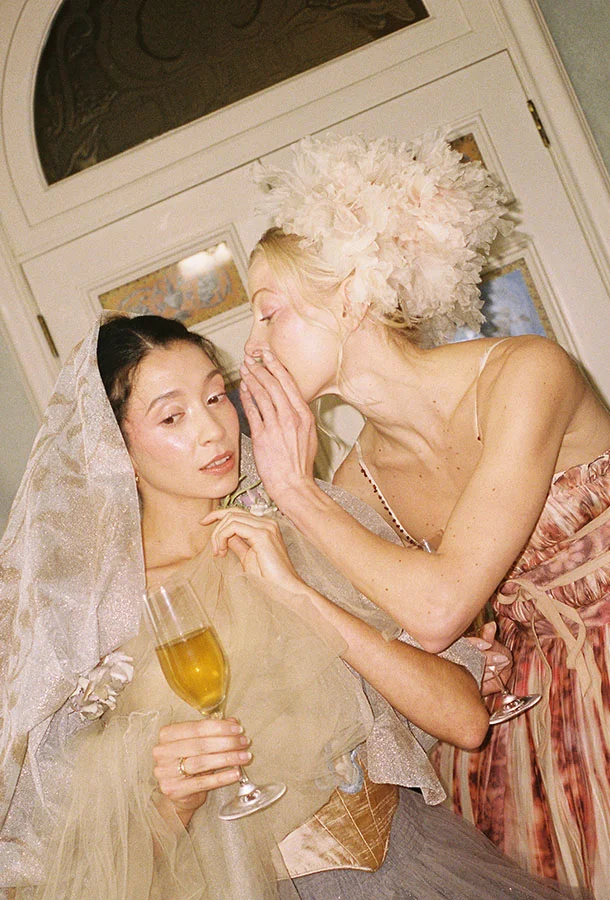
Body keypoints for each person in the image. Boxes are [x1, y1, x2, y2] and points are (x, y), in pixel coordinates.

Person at [0, 314, 581, 900]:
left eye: (215, 396)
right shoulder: (94, 623)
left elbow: (464, 718)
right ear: (114, 450)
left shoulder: (299, 529)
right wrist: (176, 799)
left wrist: (299, 594)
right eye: (172, 416)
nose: (213, 430)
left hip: (419, 864)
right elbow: (77, 868)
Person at [236, 131, 610, 897]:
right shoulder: (359, 478)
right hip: (539, 724)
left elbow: (438, 607)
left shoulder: (526, 373)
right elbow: (416, 651)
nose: (251, 347)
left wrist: (297, 492)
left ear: (352, 295)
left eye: (268, 313)